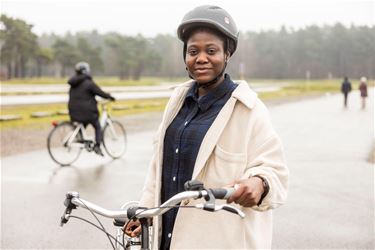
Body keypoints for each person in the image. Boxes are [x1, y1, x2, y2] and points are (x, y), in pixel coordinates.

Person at [124, 5, 288, 249]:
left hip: (217, 240)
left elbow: (275, 173)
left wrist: (260, 183)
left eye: (211, 50)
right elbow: (159, 169)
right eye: (193, 51)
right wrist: (146, 210)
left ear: (227, 54)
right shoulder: (177, 102)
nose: (201, 58)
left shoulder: (249, 109)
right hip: (166, 238)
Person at [67, 62, 115, 156]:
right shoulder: (89, 83)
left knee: (81, 124)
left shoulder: (73, 83)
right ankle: (97, 145)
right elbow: (100, 93)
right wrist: (110, 97)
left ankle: (81, 139)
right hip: (87, 113)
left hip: (73, 111)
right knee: (97, 126)